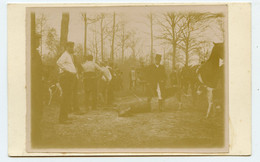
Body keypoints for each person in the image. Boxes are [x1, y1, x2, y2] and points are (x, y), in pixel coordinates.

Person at [56, 41, 77, 124]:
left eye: (72, 47)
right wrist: (67, 70)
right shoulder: (65, 55)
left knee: (67, 98)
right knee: (65, 98)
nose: (72, 48)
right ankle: (62, 119)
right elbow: (58, 62)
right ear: (67, 47)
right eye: (70, 47)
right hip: (66, 77)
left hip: (69, 77)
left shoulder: (69, 55)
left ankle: (65, 116)